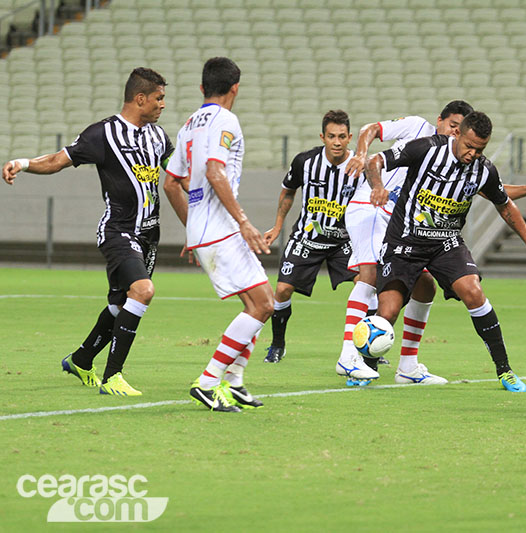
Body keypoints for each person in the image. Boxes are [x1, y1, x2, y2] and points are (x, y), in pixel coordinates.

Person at [341, 101, 526, 386]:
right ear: (457, 135)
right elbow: (376, 161)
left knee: (473, 291)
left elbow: (504, 205)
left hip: (446, 243)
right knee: (389, 310)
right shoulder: (426, 148)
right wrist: (379, 187)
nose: (473, 154)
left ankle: (504, 369)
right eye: (469, 146)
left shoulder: (483, 170)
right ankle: (366, 368)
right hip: (405, 240)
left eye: (480, 149)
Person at [2, 68, 173, 396]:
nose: (162, 105)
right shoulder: (101, 135)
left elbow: (177, 177)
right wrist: (22, 163)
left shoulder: (158, 137)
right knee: (143, 290)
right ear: (140, 99)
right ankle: (113, 377)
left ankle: (81, 360)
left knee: (120, 305)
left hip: (150, 235)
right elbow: (56, 160)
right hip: (118, 231)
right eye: (159, 98)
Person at [164, 57, 274, 413]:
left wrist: (193, 228)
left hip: (205, 228)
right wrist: (243, 220)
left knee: (257, 304)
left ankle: (236, 381)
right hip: (222, 228)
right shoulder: (226, 120)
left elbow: (171, 183)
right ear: (235, 88)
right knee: (263, 304)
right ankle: (210, 380)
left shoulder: (187, 125)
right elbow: (214, 171)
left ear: (202, 88)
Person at [261, 110, 371, 379]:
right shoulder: (305, 162)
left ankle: (367, 351)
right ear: (322, 137)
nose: (336, 142)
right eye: (331, 136)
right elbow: (288, 191)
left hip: (344, 241)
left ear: (350, 138)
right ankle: (277, 344)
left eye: (342, 137)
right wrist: (277, 226)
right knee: (283, 290)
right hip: (307, 239)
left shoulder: (361, 167)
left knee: (366, 284)